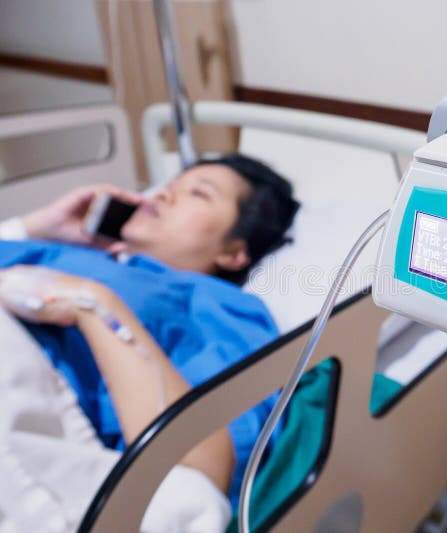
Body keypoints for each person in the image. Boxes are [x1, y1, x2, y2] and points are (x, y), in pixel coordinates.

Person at [0, 154, 299, 503]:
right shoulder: (65, 251)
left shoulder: (223, 307)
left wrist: (94, 304)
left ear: (234, 252)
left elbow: (214, 462)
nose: (162, 194)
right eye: (169, 185)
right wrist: (31, 228)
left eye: (199, 194)